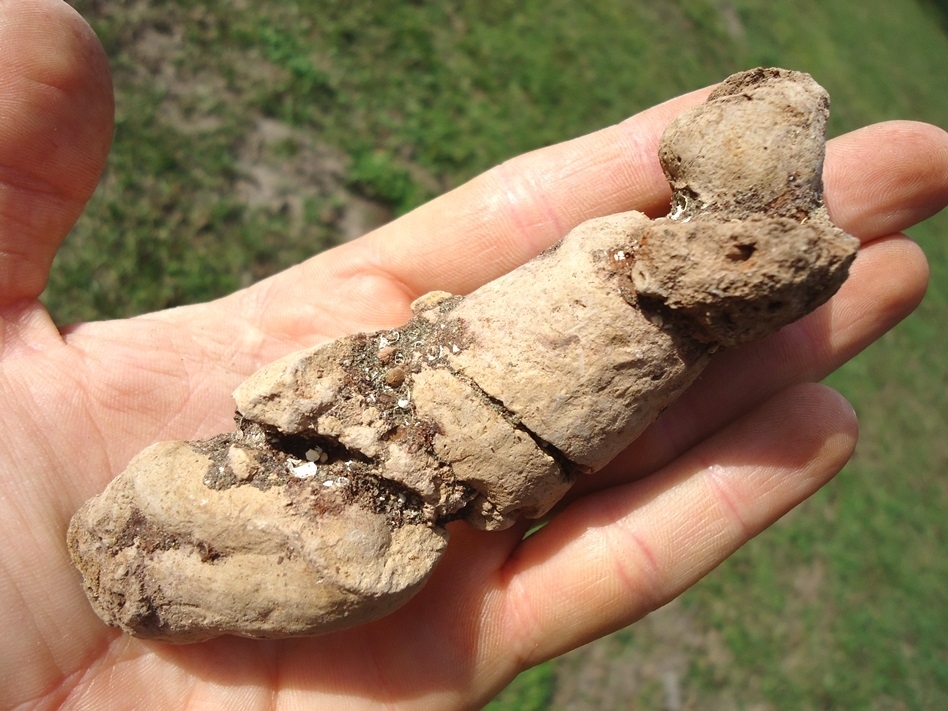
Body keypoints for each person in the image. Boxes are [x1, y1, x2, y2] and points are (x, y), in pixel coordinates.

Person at [2, 1, 946, 709]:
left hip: (465, 430)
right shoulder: (618, 259)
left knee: (365, 550)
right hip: (423, 395)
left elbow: (728, 246)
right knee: (340, 530)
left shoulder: (658, 280)